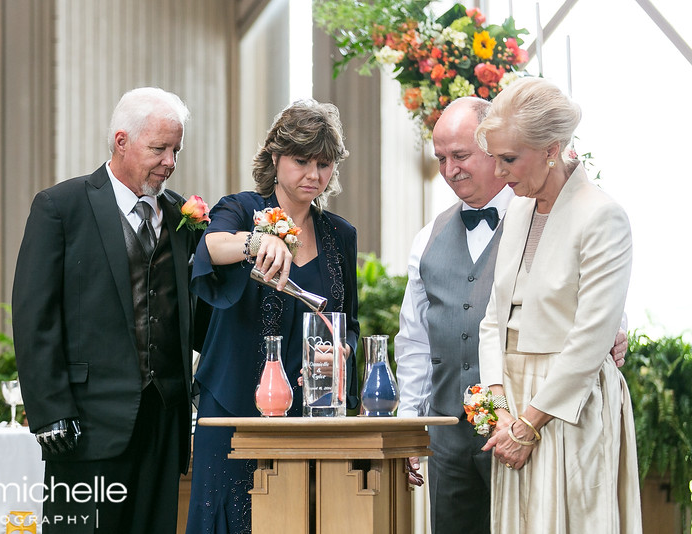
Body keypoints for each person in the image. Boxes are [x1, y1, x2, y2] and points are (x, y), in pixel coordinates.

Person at [394, 96, 628, 534]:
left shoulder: (553, 210)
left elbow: (590, 304)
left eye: (461, 156)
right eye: (441, 159)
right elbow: (414, 342)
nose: (449, 170)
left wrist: (619, 325)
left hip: (535, 419)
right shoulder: (429, 236)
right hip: (452, 433)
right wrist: (410, 424)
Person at [12, 87, 208, 534]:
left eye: (176, 149)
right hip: (85, 423)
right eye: (159, 149)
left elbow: (195, 312)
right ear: (121, 141)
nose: (171, 162)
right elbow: (34, 317)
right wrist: (49, 412)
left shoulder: (182, 216)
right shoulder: (61, 207)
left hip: (163, 419)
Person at [475, 77, 641, 532]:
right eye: (494, 158)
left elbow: (593, 337)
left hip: (568, 404)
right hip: (512, 400)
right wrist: (500, 410)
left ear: (551, 149)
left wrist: (529, 424)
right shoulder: (518, 211)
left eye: (509, 159)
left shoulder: (601, 214)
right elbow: (493, 319)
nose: (499, 172)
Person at [185, 99, 360, 533]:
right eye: (302, 160)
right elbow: (210, 248)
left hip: (310, 412)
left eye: (324, 163)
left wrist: (343, 353)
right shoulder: (241, 208)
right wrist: (257, 242)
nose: (314, 175)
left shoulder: (341, 234)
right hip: (232, 405)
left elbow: (348, 323)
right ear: (276, 157)